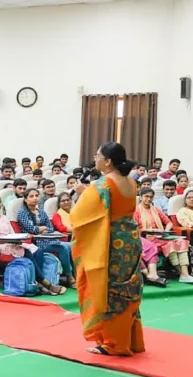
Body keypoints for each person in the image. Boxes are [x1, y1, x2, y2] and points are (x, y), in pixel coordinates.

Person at [70, 142, 144, 356]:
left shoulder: (102, 184)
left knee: (109, 289)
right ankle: (130, 339)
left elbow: (80, 216)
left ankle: (113, 343)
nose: (95, 159)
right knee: (127, 288)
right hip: (130, 238)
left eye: (98, 155)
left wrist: (84, 192)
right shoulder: (131, 181)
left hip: (111, 241)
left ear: (108, 161)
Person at [134, 188, 193, 285]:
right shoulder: (136, 211)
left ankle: (185, 274)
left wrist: (165, 231)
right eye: (146, 196)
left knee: (181, 242)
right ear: (141, 197)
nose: (149, 199)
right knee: (171, 245)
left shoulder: (156, 209)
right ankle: (181, 273)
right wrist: (150, 230)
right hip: (147, 237)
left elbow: (169, 223)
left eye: (151, 197)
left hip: (161, 236)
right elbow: (135, 228)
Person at [18, 188, 76, 287]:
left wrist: (42, 228)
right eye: (31, 196)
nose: (35, 198)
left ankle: (77, 275)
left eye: (36, 196)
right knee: (63, 248)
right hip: (36, 242)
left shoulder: (41, 212)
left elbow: (50, 227)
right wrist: (41, 228)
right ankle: (69, 277)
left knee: (73, 245)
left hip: (49, 239)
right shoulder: (22, 213)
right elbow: (30, 229)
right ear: (25, 199)